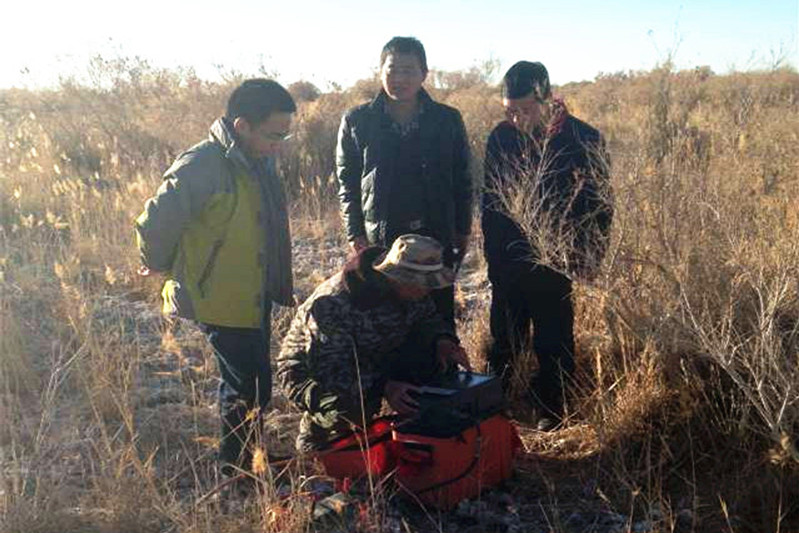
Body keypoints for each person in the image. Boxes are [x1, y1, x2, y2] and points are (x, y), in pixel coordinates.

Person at [134, 79, 296, 476]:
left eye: (285, 136)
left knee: (254, 380)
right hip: (217, 296)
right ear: (242, 126)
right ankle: (237, 469)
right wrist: (160, 264)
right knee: (246, 385)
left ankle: (250, 455)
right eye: (274, 135)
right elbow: (154, 222)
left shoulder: (258, 158)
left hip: (252, 292)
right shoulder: (202, 163)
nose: (279, 145)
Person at [480, 61, 613, 431]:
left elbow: (600, 207)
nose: (517, 120)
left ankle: (550, 410)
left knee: (554, 341)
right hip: (509, 257)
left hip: (557, 259)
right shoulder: (501, 137)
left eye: (525, 110)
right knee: (504, 336)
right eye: (509, 112)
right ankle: (493, 408)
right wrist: (492, 257)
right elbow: (490, 203)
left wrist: (589, 256)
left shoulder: (583, 138)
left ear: (547, 99)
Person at [277, 234, 471, 452]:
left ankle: (415, 437)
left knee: (433, 369)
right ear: (398, 276)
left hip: (373, 356)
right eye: (422, 283)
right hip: (312, 372)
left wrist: (443, 341)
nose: (427, 289)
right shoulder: (333, 303)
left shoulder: (412, 290)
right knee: (348, 407)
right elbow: (331, 371)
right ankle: (317, 439)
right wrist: (384, 387)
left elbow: (428, 319)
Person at [335, 36, 473, 326]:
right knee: (385, 318)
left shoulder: (446, 119)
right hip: (382, 235)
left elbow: (462, 179)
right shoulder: (358, 120)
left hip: (435, 233)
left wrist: (462, 230)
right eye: (392, 70)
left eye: (409, 70)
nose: (399, 79)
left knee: (437, 317)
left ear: (424, 74)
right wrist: (355, 232)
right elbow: (347, 183)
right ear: (380, 71)